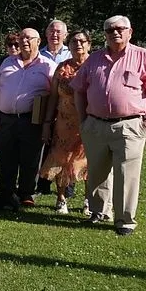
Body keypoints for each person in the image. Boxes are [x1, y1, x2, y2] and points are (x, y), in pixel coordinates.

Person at [71, 16, 146, 236]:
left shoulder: (143, 56)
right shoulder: (94, 59)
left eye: (120, 29)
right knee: (96, 172)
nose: (115, 33)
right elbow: (79, 89)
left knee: (127, 174)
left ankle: (125, 221)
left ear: (130, 31)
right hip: (95, 125)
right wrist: (83, 120)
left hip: (129, 125)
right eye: (110, 29)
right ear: (104, 34)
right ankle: (98, 212)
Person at [0, 28, 57, 210]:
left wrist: (47, 123)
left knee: (31, 157)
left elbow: (53, 96)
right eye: (21, 38)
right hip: (6, 118)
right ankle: (6, 193)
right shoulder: (7, 62)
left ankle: (26, 193)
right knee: (6, 156)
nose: (24, 41)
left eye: (29, 38)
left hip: (32, 119)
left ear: (38, 41)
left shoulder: (47, 65)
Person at [39, 30, 91, 215]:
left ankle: (88, 200)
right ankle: (61, 199)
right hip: (63, 122)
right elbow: (53, 97)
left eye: (82, 41)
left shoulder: (94, 66)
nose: (78, 45)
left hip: (87, 121)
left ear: (89, 44)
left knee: (87, 161)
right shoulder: (62, 68)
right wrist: (47, 122)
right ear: (69, 46)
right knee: (61, 159)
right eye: (74, 42)